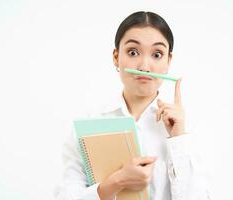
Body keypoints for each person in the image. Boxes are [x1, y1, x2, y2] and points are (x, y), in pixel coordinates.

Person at [55, 11, 212, 200]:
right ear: (116, 57)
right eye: (133, 52)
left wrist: (178, 139)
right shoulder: (89, 123)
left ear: (168, 61)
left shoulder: (188, 129)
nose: (144, 66)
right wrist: (116, 182)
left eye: (157, 54)